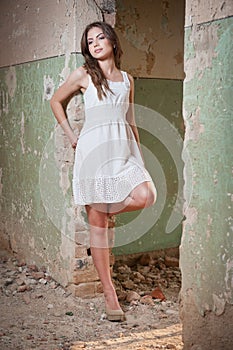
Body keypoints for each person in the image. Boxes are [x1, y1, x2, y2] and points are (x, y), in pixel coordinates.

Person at [50, 21, 157, 322]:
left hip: (123, 152)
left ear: (111, 41)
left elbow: (131, 119)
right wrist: (72, 136)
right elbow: (55, 100)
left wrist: (140, 158)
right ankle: (109, 294)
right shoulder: (84, 75)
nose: (95, 43)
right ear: (88, 48)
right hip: (93, 153)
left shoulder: (127, 80)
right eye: (90, 41)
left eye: (100, 37)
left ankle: (109, 208)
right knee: (97, 230)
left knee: (146, 194)